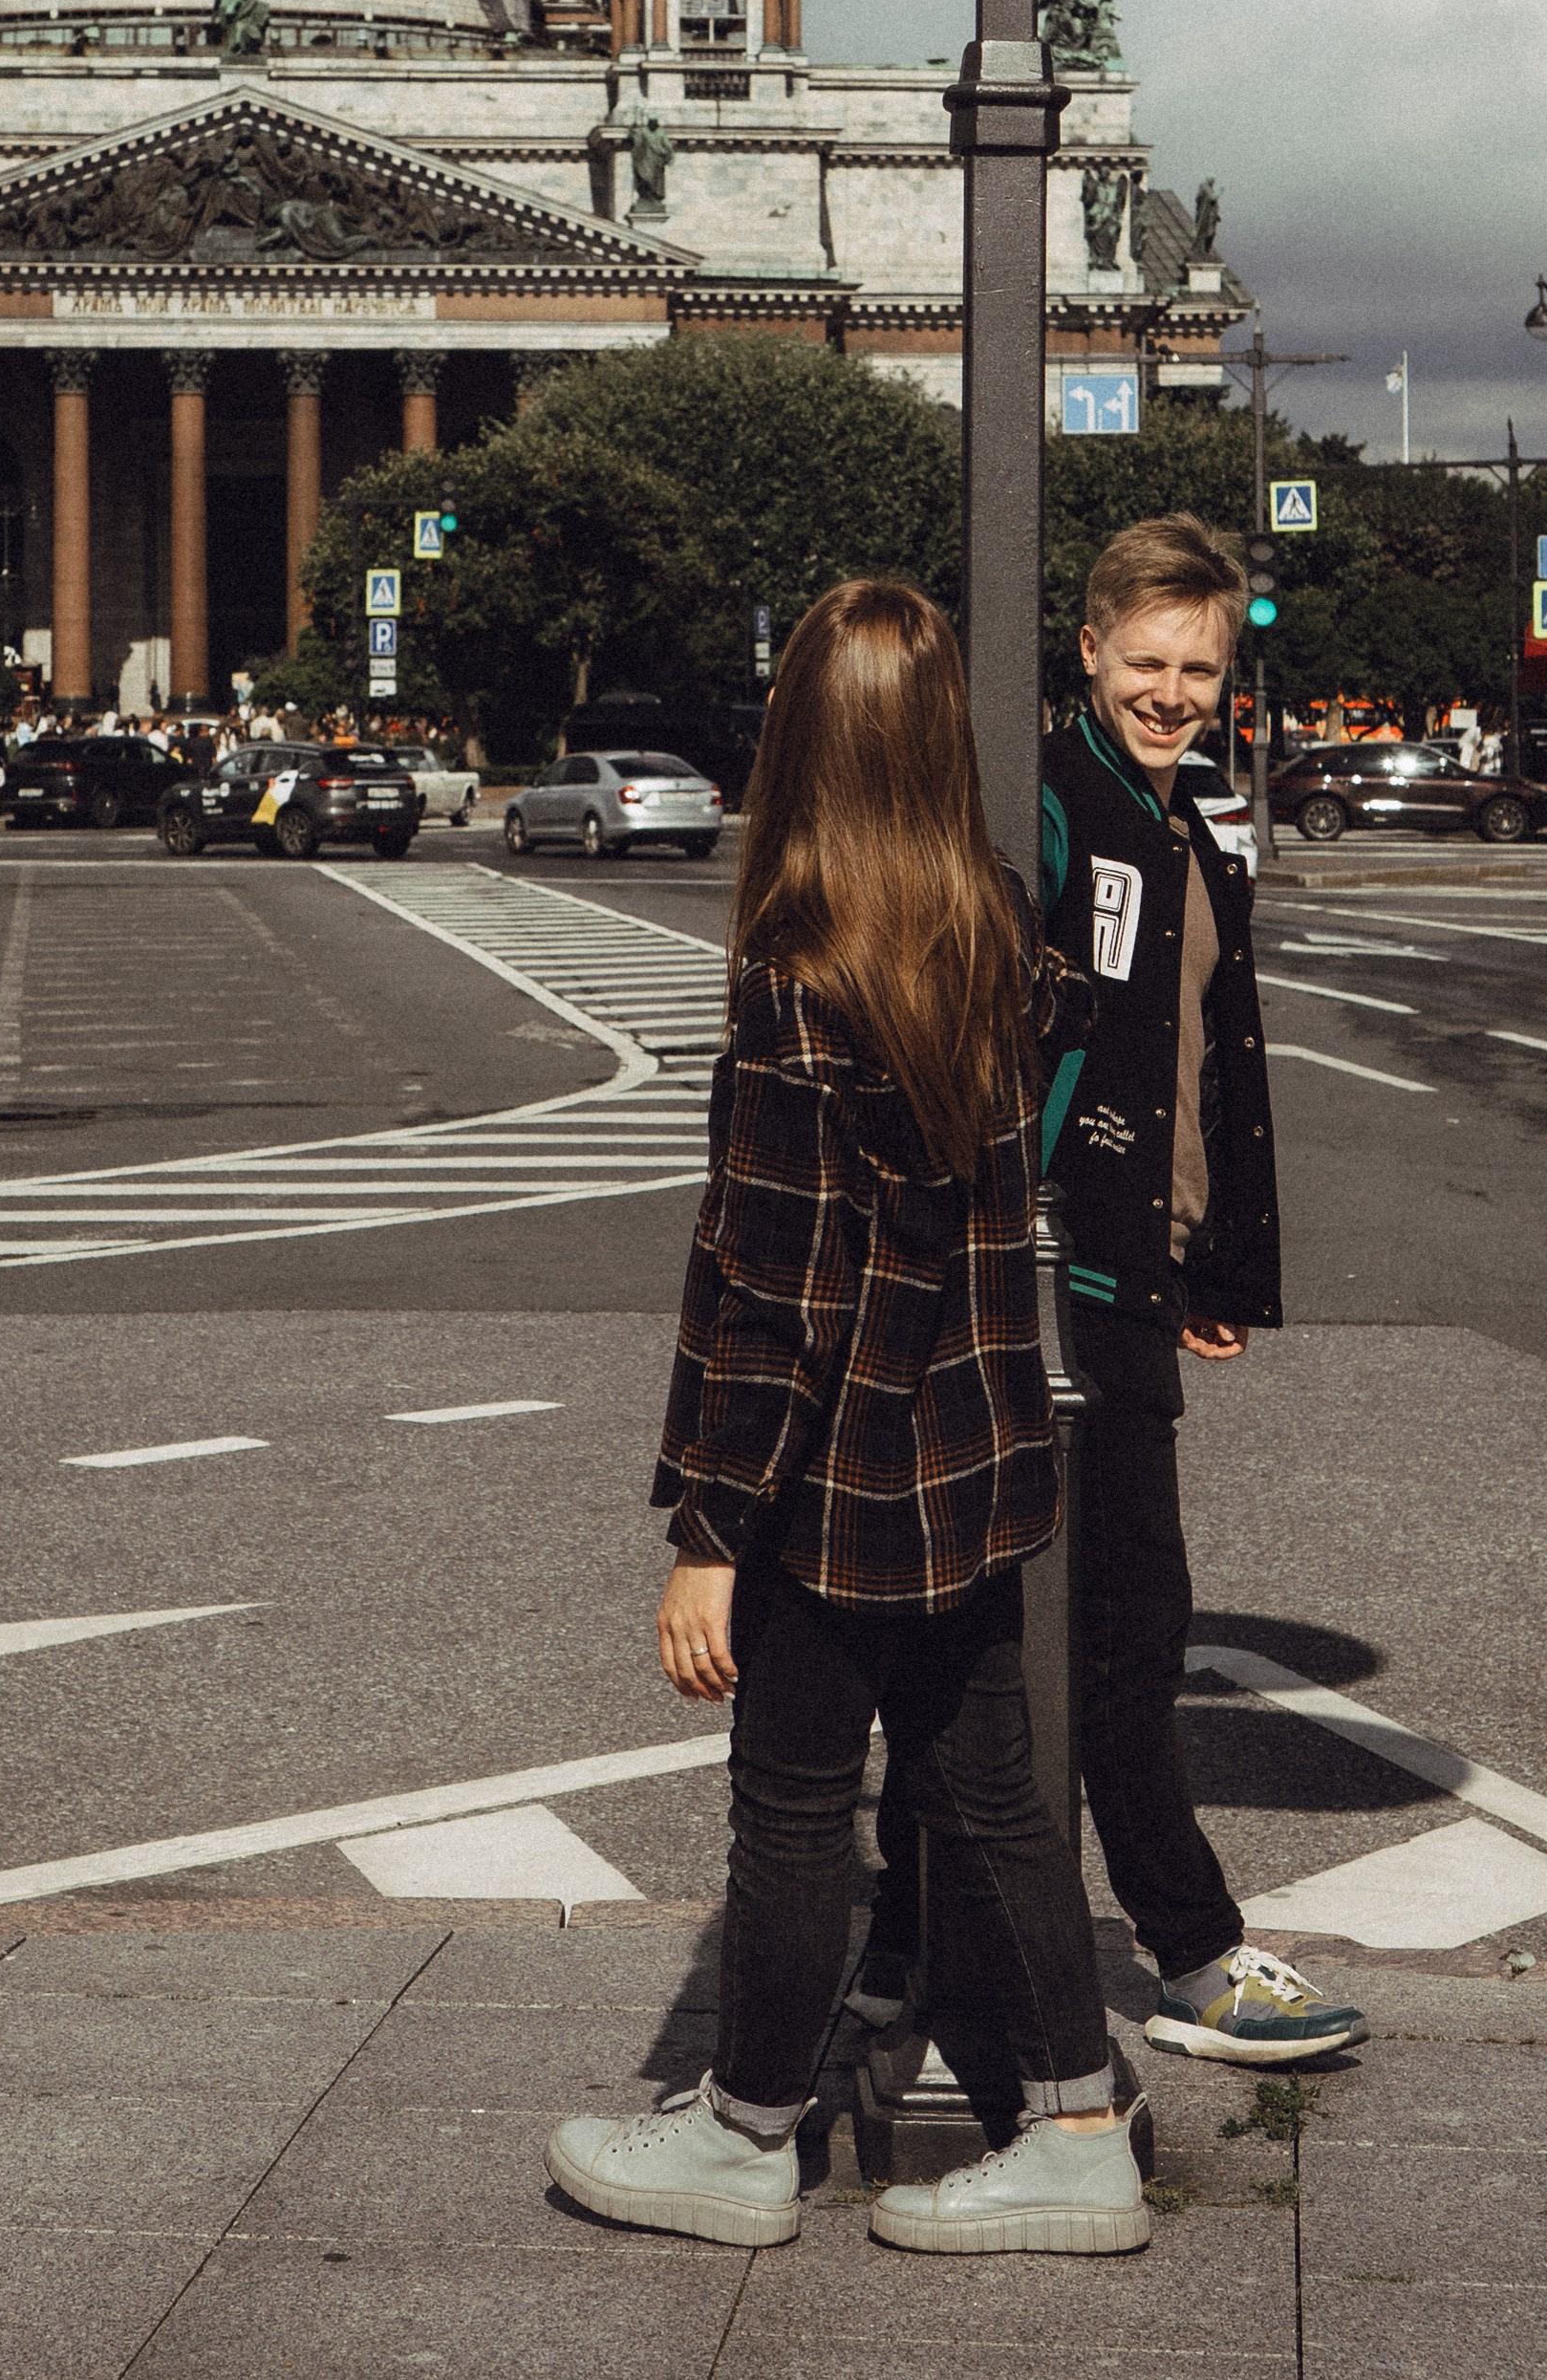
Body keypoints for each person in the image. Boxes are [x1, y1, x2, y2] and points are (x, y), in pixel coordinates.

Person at [545, 580, 1150, 2261]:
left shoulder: (799, 971)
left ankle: (744, 2130)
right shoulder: (982, 928)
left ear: (799, 733)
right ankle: (1080, 2123)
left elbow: (776, 1293)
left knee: (794, 1798)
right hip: (971, 1456)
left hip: (834, 1483)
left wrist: (705, 1531)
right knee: (998, 1795)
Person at [858, 516, 1363, 2077]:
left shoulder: (1185, 815)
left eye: (1197, 666)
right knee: (1121, 1626)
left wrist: (1207, 1259)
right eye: (1145, 659)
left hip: (1124, 1275)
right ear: (1085, 647)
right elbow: (1019, 1040)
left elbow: (1201, 1061)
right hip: (1053, 1274)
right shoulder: (1049, 803)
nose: (1170, 688)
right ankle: (1194, 1950)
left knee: (1007, 1623)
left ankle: (892, 1948)